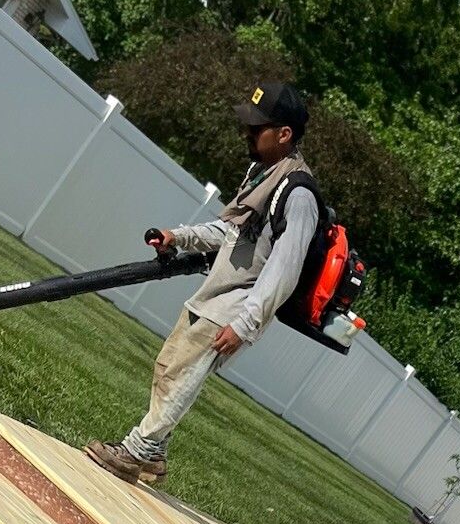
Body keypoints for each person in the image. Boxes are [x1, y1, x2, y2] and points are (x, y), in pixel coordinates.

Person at [85, 80, 320, 486]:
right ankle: (154, 456)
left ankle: (135, 452)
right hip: (216, 295)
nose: (246, 132)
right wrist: (179, 236)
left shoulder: (298, 195)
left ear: (284, 135)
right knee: (169, 366)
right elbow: (231, 232)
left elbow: (284, 271)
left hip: (237, 306)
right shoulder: (263, 174)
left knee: (183, 375)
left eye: (256, 127)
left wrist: (245, 326)